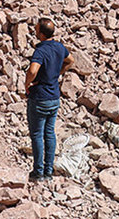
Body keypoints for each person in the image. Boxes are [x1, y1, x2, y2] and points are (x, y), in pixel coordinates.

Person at [24, 17, 73, 180]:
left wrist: (27, 84)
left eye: (37, 29)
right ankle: (48, 171)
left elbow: (32, 70)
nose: (35, 31)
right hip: (54, 97)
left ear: (42, 33)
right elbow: (70, 60)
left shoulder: (41, 50)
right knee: (50, 133)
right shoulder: (59, 47)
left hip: (40, 97)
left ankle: (38, 172)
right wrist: (57, 73)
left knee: (37, 134)